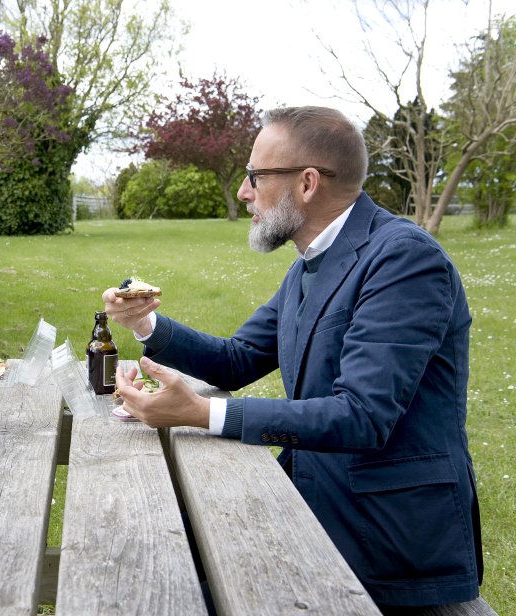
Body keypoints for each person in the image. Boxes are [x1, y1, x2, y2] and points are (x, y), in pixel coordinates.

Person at [105, 106, 482, 611]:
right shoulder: (310, 263)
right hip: (315, 501)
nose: (244, 193)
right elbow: (237, 360)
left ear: (307, 183)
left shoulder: (404, 259)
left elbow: (362, 416)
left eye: (255, 177)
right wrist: (143, 323)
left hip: (390, 541)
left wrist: (200, 413)